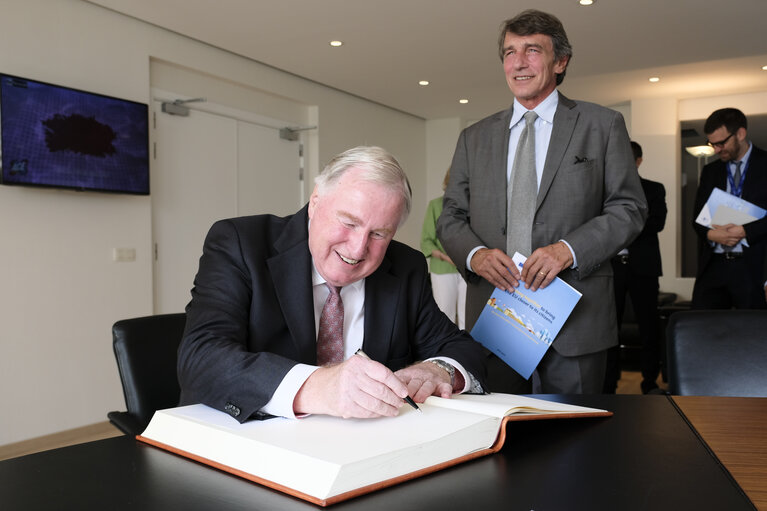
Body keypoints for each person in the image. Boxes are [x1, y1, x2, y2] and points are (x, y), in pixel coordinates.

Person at [178, 146, 487, 422]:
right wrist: (319, 387)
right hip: (246, 450)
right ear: (315, 203)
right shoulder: (240, 243)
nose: (357, 249)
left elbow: (462, 348)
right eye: (349, 223)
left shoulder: (406, 267)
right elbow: (202, 357)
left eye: (379, 234)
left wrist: (436, 370)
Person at [437, 9, 647, 394]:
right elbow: (450, 217)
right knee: (496, 436)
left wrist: (568, 250)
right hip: (496, 315)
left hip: (575, 319)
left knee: (574, 441)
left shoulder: (602, 125)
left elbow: (629, 209)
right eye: (509, 52)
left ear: (560, 61)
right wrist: (476, 255)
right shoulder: (474, 137)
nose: (518, 63)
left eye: (532, 50)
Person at [604, 141, 667, 394]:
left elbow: (656, 223)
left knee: (649, 328)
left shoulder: (654, 189)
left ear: (638, 161)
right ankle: (609, 384)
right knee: (609, 328)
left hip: (644, 267)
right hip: (612, 268)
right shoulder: (603, 190)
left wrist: (619, 226)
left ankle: (650, 382)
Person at [692, 108, 767, 310]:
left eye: (721, 143)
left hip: (751, 267)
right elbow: (697, 218)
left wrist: (745, 231)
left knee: (751, 334)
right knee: (705, 331)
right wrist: (711, 234)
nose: (716, 150)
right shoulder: (710, 171)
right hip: (713, 267)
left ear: (740, 134)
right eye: (712, 144)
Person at [421, 169, 467, 329]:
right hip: (442, 269)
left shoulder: (470, 208)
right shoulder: (435, 205)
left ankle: (468, 352)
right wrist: (447, 258)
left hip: (467, 270)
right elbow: (426, 241)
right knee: (444, 313)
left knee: (467, 315)